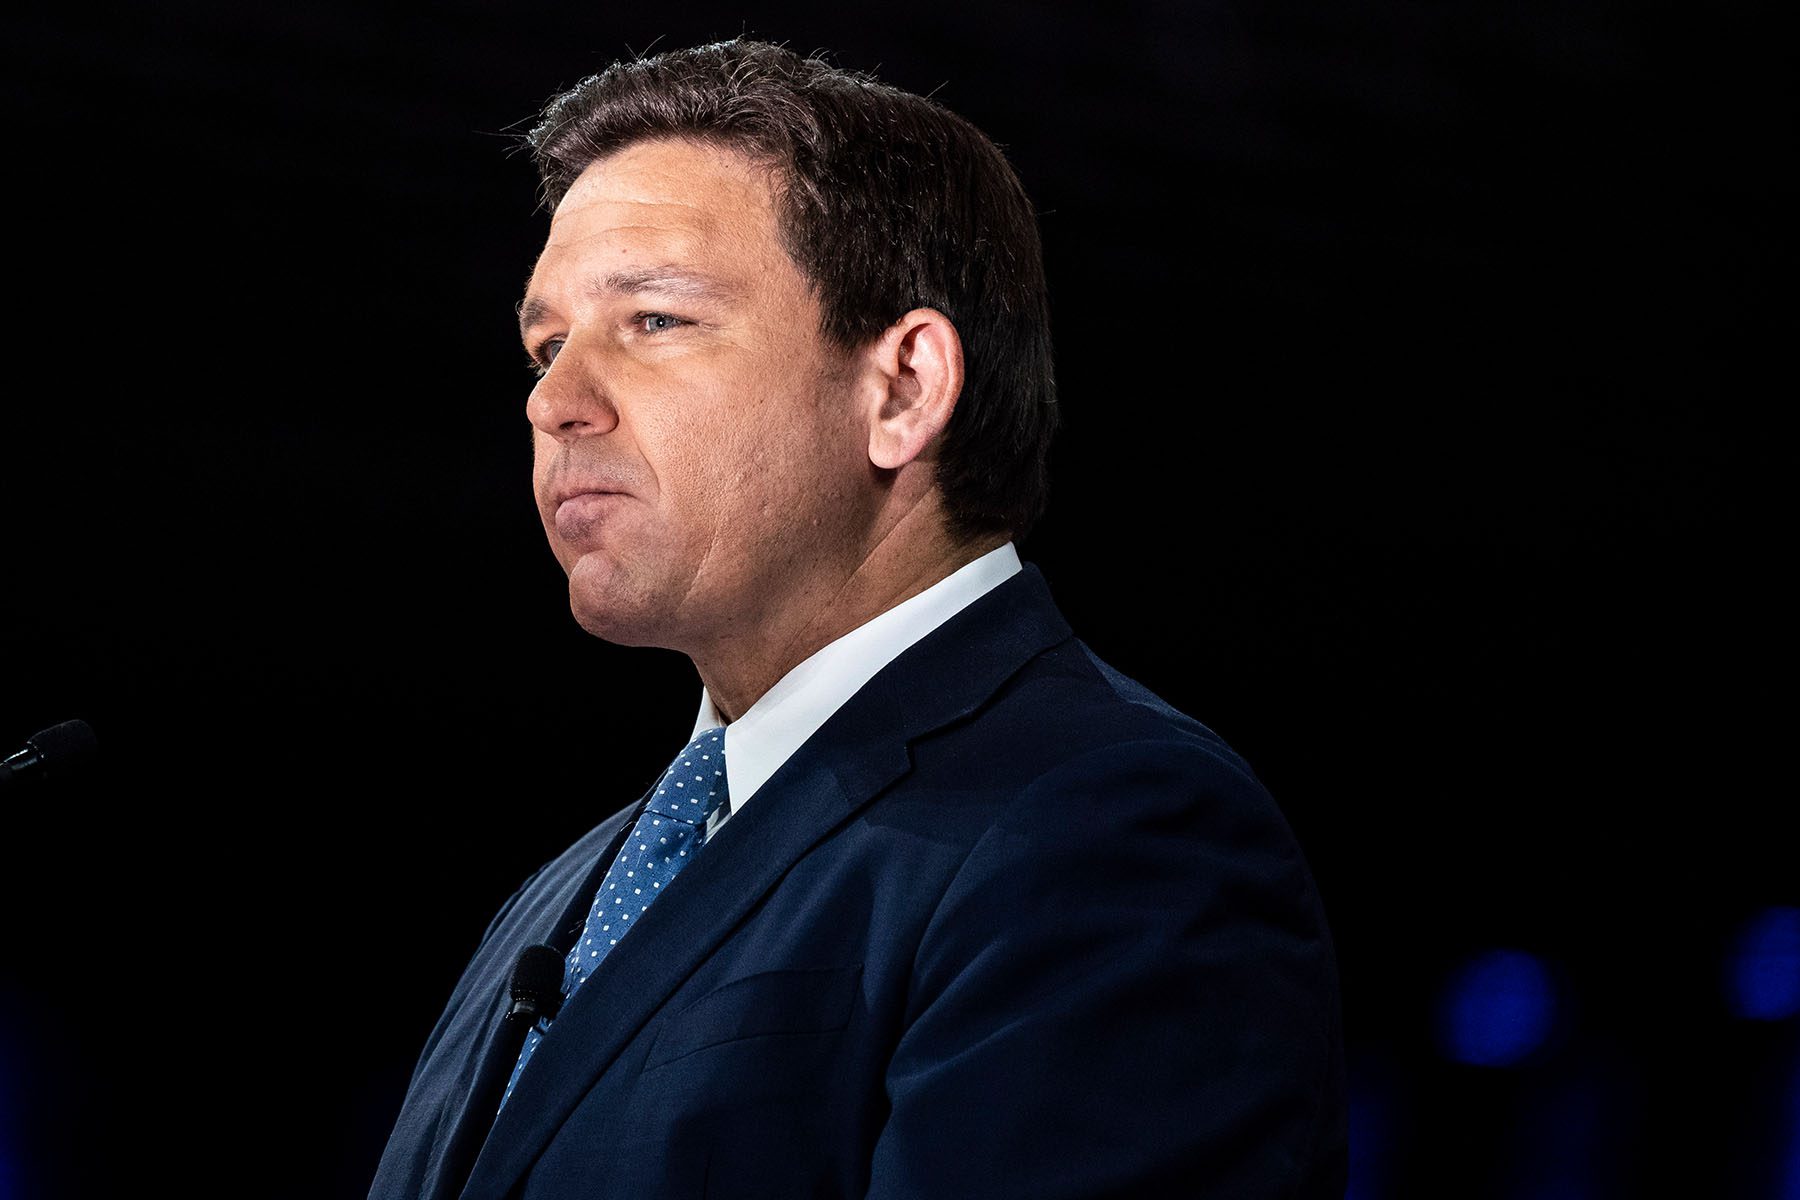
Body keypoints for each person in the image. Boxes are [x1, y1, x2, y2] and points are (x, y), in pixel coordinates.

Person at [370, 38, 1346, 1200]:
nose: (554, 400)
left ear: (902, 389)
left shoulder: (1110, 834)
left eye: (656, 321)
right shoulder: (567, 891)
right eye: (544, 345)